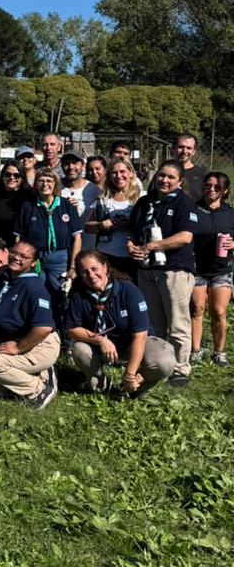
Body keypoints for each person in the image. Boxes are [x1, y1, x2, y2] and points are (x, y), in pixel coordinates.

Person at [127, 159, 197, 386]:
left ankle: (180, 369)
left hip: (174, 270)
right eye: (161, 175)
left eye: (170, 177)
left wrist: (152, 246)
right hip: (147, 269)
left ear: (179, 181)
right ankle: (159, 364)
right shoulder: (145, 202)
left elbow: (185, 236)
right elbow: (133, 230)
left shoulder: (183, 203)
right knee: (154, 322)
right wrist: (131, 244)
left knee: (177, 322)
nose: (164, 180)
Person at [65, 251, 174, 396]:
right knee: (79, 349)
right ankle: (102, 387)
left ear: (105, 267)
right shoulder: (77, 294)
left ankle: (134, 387)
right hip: (100, 347)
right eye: (84, 272)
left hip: (134, 343)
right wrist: (100, 340)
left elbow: (140, 336)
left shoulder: (128, 290)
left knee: (164, 362)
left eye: (94, 268)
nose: (91, 275)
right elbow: (72, 329)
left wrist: (130, 374)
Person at [0, 241, 59, 410]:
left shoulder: (34, 288)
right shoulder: (5, 279)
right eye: (14, 252)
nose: (16, 258)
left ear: (33, 263)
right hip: (14, 339)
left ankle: (40, 389)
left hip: (38, 343)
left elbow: (44, 328)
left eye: (24, 256)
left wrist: (18, 347)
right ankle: (37, 373)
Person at [15, 168, 82, 317]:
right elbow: (19, 238)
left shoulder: (67, 205)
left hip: (60, 259)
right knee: (36, 294)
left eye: (49, 180)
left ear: (55, 184)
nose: (45, 184)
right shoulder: (28, 206)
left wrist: (72, 267)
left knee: (61, 294)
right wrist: (19, 261)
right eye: (41, 180)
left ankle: (63, 326)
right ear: (36, 184)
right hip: (35, 259)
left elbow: (77, 238)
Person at [191, 172, 234, 366]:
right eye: (208, 186)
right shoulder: (194, 210)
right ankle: (195, 351)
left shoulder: (230, 213)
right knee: (196, 310)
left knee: (219, 312)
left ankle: (219, 352)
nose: (212, 190)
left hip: (221, 269)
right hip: (196, 268)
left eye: (217, 187)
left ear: (224, 190)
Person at [84, 158, 140, 277]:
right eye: (114, 173)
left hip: (132, 257)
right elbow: (88, 227)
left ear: (130, 173)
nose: (118, 176)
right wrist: (101, 225)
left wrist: (130, 224)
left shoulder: (141, 198)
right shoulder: (103, 199)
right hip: (106, 255)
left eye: (122, 171)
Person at [0, 161, 30, 246]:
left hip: (26, 247)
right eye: (7, 174)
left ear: (22, 178)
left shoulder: (29, 199)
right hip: (0, 247)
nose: (12, 178)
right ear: (2, 177)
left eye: (16, 175)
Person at [174, 133, 205, 202]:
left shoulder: (202, 175)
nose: (184, 151)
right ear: (174, 149)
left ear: (194, 152)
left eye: (189, 148)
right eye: (181, 147)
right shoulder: (163, 174)